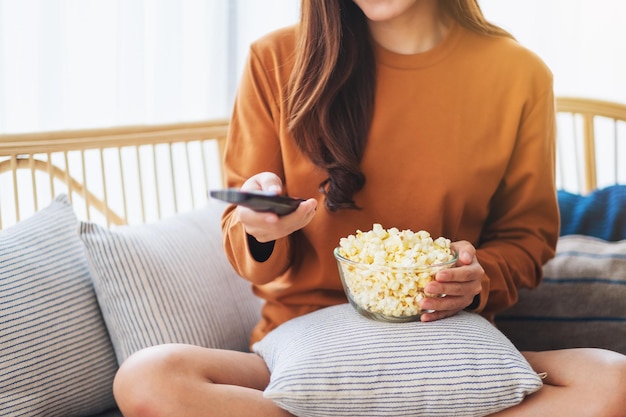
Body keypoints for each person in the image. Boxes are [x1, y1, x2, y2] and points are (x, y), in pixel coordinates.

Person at [113, 0, 626, 416]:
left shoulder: (519, 75)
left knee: (612, 383)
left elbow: (528, 237)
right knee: (148, 378)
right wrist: (259, 228)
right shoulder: (275, 61)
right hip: (302, 348)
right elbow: (244, 240)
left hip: (447, 351)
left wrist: (478, 276)